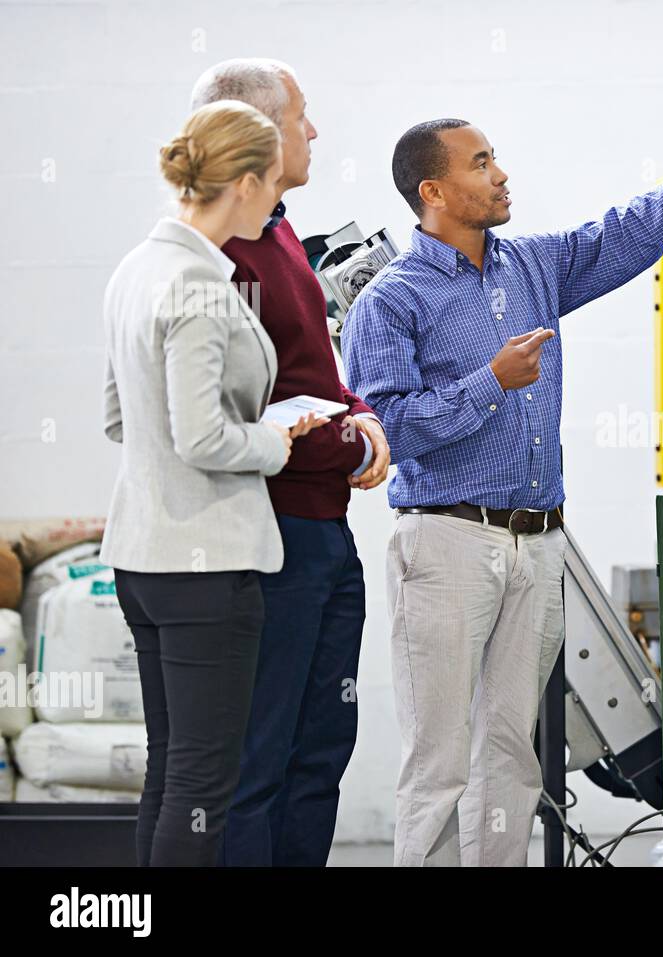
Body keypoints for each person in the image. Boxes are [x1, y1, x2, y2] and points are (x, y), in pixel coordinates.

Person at [343, 75, 663, 866]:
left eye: (496, 158)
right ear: (434, 190)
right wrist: (490, 381)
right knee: (439, 761)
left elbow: (633, 229)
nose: (501, 173)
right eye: (482, 162)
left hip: (538, 543)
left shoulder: (534, 267)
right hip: (446, 546)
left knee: (511, 755)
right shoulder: (390, 302)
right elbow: (388, 431)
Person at [101, 100, 326, 866]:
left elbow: (119, 418)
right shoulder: (200, 285)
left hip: (142, 555)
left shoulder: (137, 268)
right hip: (204, 563)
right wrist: (273, 439)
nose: (277, 202)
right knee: (204, 787)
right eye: (273, 185)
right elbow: (200, 436)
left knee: (170, 775)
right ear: (246, 181)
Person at [187, 58, 391, 867]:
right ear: (259, 130)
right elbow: (238, 417)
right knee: (260, 764)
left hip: (324, 533)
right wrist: (353, 441)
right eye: (303, 114)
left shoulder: (279, 238)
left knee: (320, 751)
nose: (315, 131)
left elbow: (314, 378)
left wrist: (364, 415)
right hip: (271, 542)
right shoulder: (219, 256)